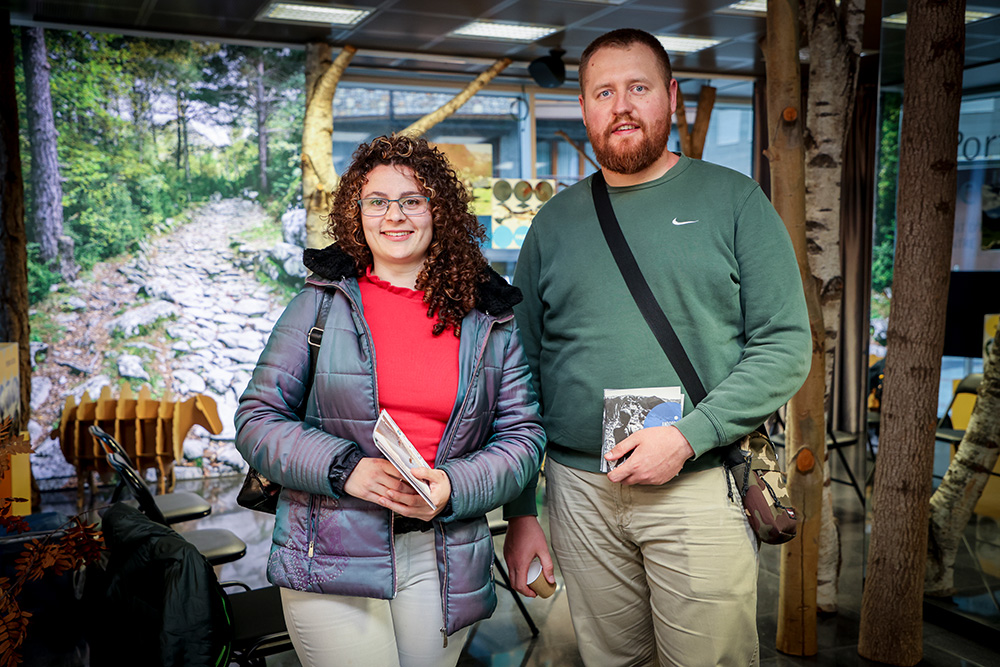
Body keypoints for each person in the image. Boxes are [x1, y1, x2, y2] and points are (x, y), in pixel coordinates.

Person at [501, 28, 811, 666]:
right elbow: (518, 371)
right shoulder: (553, 224)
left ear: (670, 96)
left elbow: (783, 345)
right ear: (583, 107)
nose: (621, 106)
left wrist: (688, 436)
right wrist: (521, 509)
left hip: (696, 484)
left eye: (638, 88)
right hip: (578, 491)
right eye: (603, 92)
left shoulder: (734, 201)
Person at [236, 134, 545, 667]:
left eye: (412, 200)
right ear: (356, 212)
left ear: (439, 210)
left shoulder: (488, 316)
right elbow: (257, 419)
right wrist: (346, 470)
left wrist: (455, 485)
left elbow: (523, 435)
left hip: (442, 553)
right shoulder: (319, 303)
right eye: (377, 201)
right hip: (329, 545)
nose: (394, 216)